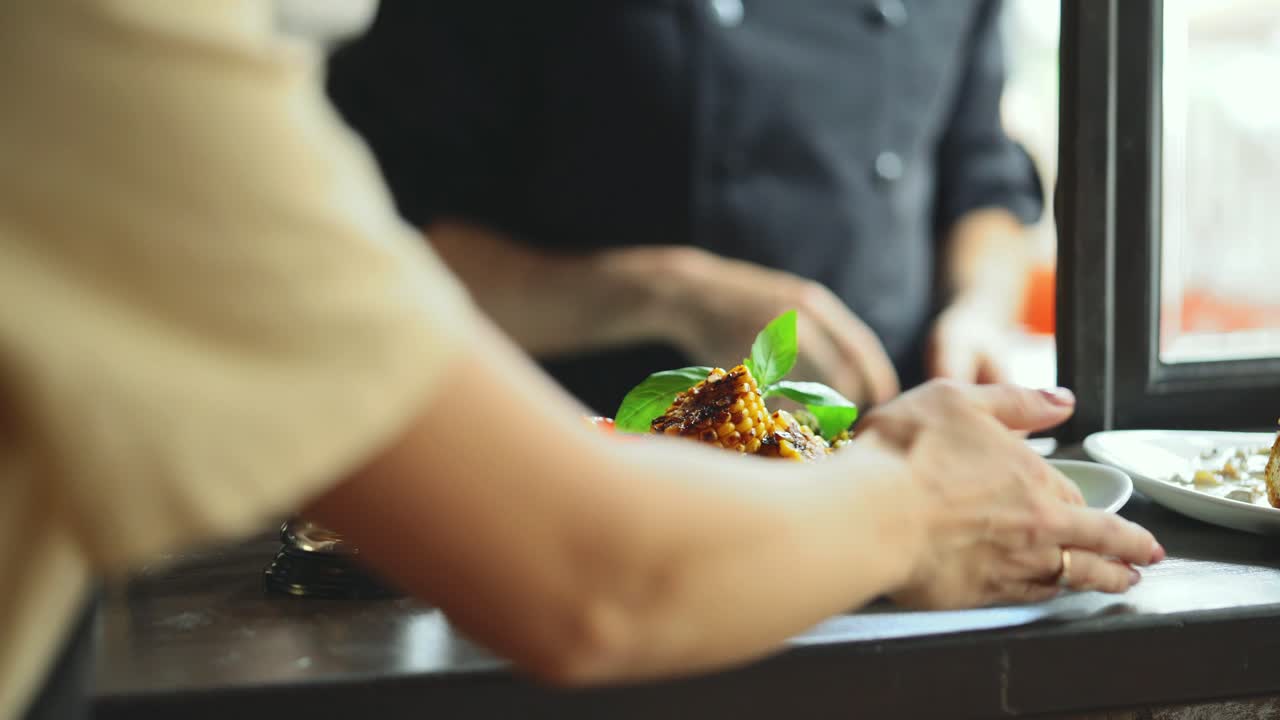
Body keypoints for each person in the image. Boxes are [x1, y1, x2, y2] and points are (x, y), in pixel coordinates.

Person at [0, 3, 1162, 720]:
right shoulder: (87, 37)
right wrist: (914, 502)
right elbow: (592, 576)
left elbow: (982, 169)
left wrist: (966, 324)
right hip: (559, 506)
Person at [326, 0, 1044, 416]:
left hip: (881, 458)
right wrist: (672, 294)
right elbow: (376, 256)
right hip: (580, 469)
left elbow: (983, 178)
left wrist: (976, 313)